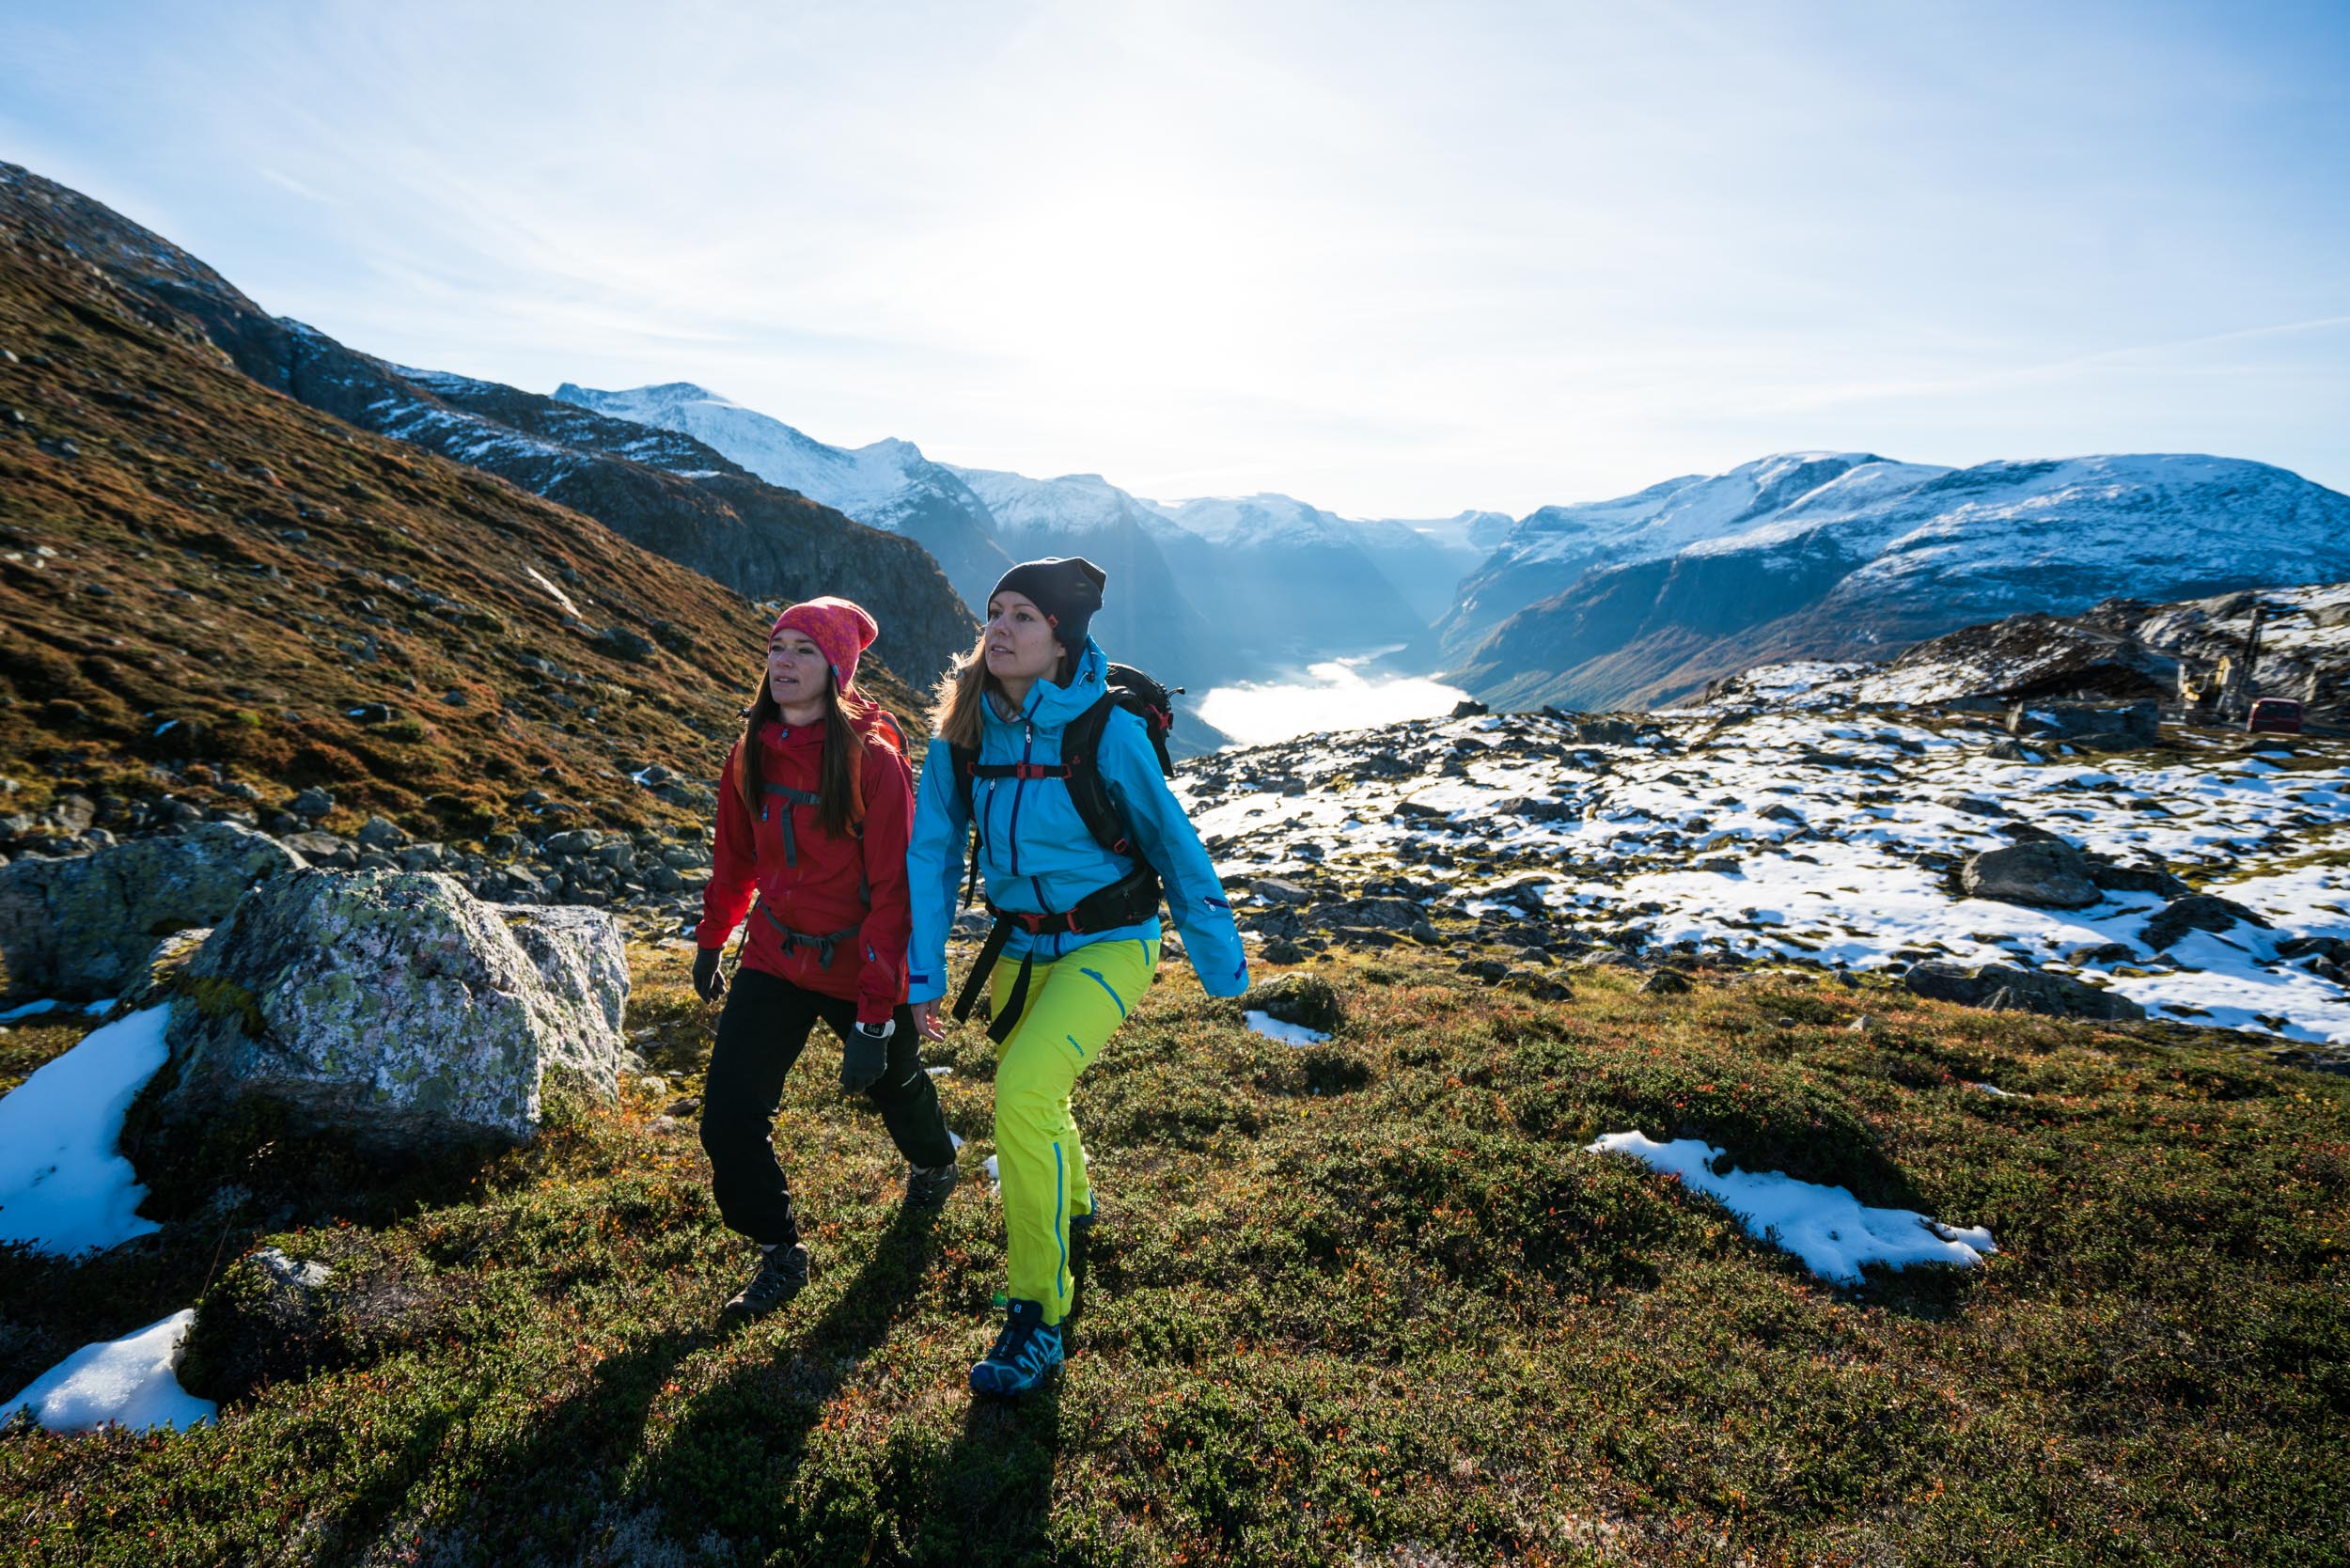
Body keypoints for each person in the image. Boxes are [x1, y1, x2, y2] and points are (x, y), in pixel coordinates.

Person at [906, 557, 1248, 1396]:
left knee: (1021, 1092)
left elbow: (1172, 844)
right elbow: (932, 854)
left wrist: (1221, 966)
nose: (1000, 628)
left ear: (1062, 639)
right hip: (1021, 949)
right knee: (1038, 1098)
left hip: (1110, 943)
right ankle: (1076, 1202)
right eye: (993, 612)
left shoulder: (1108, 731)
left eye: (1023, 615)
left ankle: (1038, 1316)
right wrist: (919, 973)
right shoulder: (964, 731)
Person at [692, 596, 960, 1319]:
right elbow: (735, 861)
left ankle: (935, 1162)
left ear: (836, 669)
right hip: (775, 958)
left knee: (895, 1084)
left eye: (804, 650)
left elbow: (892, 894)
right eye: (777, 647)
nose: (783, 662)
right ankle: (781, 1250)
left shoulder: (873, 764)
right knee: (727, 1117)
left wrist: (876, 1013)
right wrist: (714, 939)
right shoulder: (749, 751)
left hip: (857, 967)